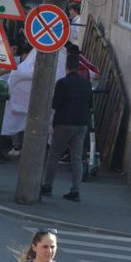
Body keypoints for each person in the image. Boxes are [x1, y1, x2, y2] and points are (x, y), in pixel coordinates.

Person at [41, 55, 93, 201]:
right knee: (76, 158)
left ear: (67, 68)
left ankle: (47, 185)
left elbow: (55, 104)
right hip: (82, 124)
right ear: (78, 68)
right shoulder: (86, 84)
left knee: (54, 155)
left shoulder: (62, 83)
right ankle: (75, 190)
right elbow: (90, 104)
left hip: (64, 123)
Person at [1, 43, 36, 155]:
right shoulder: (21, 66)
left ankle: (18, 146)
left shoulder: (25, 67)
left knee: (21, 124)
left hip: (21, 102)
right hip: (17, 102)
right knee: (16, 123)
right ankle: (16, 146)